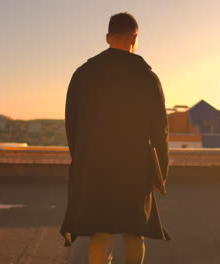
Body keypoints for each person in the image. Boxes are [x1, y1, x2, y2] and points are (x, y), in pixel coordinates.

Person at [60, 12, 170, 264]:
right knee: (134, 234)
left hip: (95, 167)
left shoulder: (83, 74)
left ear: (108, 37)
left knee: (100, 235)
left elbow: (72, 126)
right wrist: (160, 173)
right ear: (135, 37)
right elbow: (159, 131)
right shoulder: (147, 78)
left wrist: (81, 163)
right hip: (135, 168)